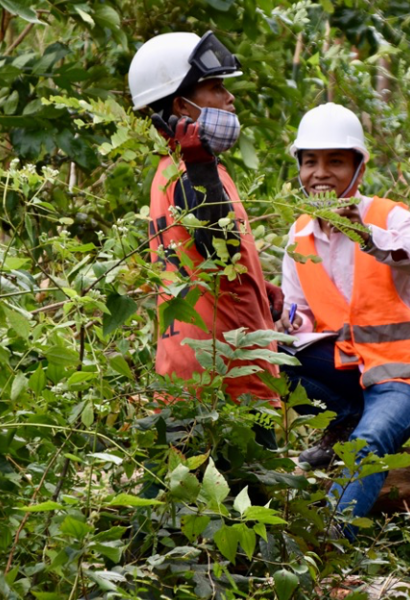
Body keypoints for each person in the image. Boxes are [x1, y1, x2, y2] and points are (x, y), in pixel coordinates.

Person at [278, 103, 410, 530]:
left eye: (335, 161)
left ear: (358, 167)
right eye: (311, 162)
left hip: (406, 377)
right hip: (351, 371)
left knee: (369, 444)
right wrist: (279, 318)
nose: (320, 173)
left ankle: (332, 546)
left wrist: (368, 237)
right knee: (273, 355)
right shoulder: (299, 233)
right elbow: (298, 316)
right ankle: (347, 422)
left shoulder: (387, 216)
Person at [128, 31, 284, 408]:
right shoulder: (191, 171)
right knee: (252, 468)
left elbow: (198, 261)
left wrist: (258, 287)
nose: (230, 98)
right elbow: (218, 244)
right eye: (215, 87)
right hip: (227, 383)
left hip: (187, 375)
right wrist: (200, 167)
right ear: (182, 107)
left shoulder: (171, 171)